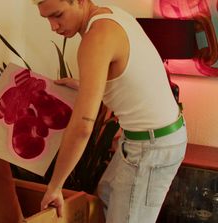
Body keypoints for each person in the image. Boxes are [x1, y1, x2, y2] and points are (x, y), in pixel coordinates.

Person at [32, 0, 188, 222]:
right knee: (105, 195)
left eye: (57, 15)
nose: (53, 26)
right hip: (159, 135)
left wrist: (55, 186)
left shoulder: (95, 39)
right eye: (47, 18)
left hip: (151, 146)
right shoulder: (113, 15)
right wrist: (84, 86)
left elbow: (83, 127)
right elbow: (129, 74)